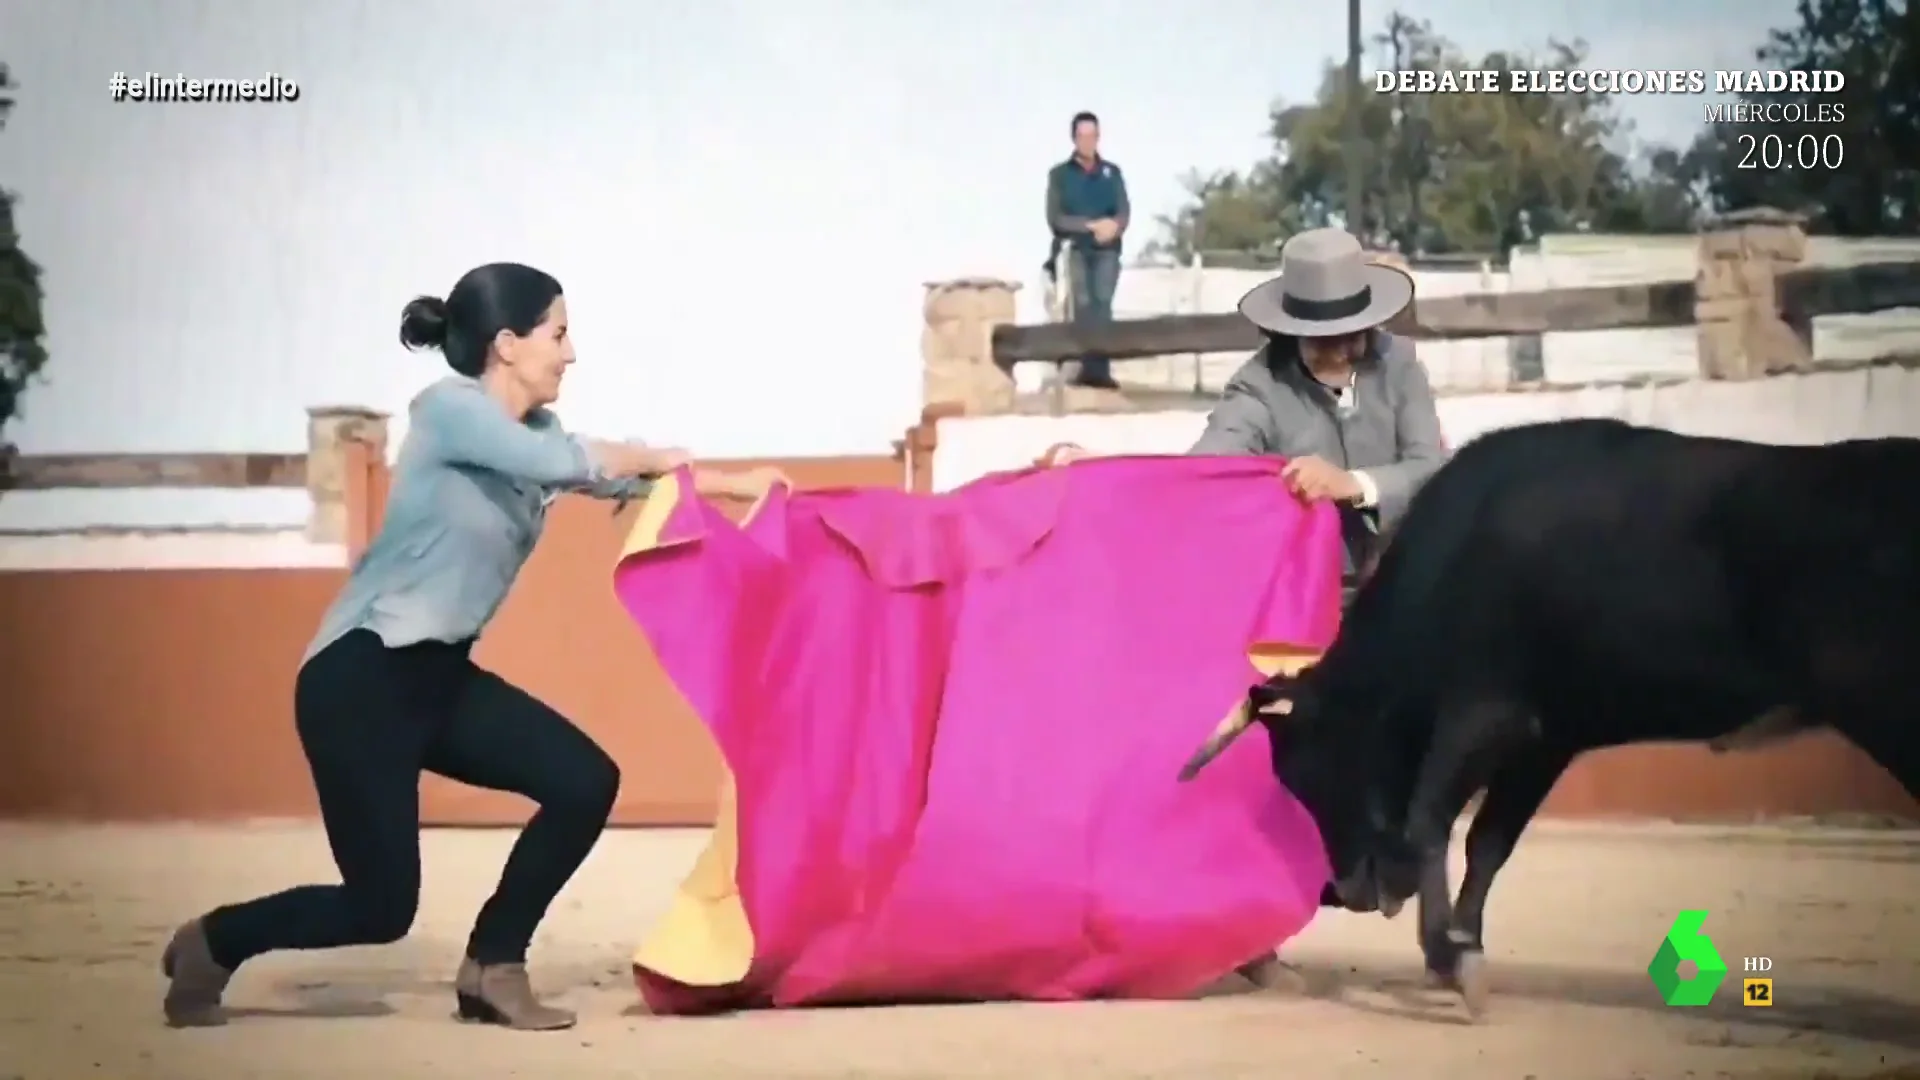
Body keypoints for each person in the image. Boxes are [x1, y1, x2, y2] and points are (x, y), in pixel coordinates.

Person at [158, 262, 780, 1031]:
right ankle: (212, 943)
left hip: (438, 679)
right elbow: (572, 464)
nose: (571, 353)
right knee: (379, 907)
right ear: (508, 344)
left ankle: (493, 964)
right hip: (360, 679)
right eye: (559, 333)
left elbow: (616, 478)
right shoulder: (447, 413)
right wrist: (660, 456)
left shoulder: (542, 438)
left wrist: (738, 482)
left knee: (583, 781)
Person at [1047, 226, 1449, 989]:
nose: (1334, 350)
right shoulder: (1259, 387)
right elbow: (1203, 475)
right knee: (1275, 766)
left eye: (1346, 334)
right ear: (1285, 328)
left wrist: (1353, 484)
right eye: (1315, 336)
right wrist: (1096, 479)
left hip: (1400, 599)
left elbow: (1431, 469)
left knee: (1417, 766)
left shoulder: (1400, 369)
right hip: (1300, 617)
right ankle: (1252, 934)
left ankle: (1403, 893)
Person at [1045, 110, 1129, 390]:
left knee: (1103, 304)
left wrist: (1114, 226)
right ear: (1074, 139)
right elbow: (1056, 219)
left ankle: (1100, 370)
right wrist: (1090, 226)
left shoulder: (1111, 173)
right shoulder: (1059, 175)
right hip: (1076, 249)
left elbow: (1123, 211)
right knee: (1081, 305)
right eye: (1082, 136)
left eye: (1092, 136)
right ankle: (1083, 368)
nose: (1088, 142)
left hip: (1107, 250)